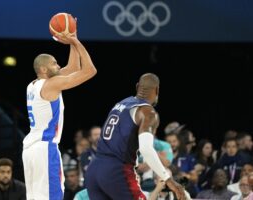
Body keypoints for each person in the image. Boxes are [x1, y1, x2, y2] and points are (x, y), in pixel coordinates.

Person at [22, 30, 97, 200]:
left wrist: (71, 40)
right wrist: (76, 42)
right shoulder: (51, 84)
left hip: (30, 149)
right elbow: (89, 70)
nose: (58, 66)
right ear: (43, 68)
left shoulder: (32, 85)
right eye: (54, 63)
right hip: (45, 148)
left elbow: (73, 68)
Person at [85, 73, 186, 200]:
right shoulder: (148, 112)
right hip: (115, 171)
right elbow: (146, 149)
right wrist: (168, 179)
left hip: (94, 168)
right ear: (157, 90)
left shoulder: (121, 104)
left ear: (137, 86)